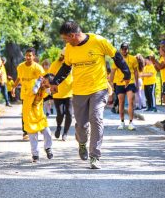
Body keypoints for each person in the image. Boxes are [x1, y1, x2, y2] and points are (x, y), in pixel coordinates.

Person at [50, 21, 130, 169]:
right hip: (79, 91)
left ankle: (95, 156)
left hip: (99, 88)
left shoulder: (98, 41)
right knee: (81, 125)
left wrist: (126, 72)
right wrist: (55, 82)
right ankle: (82, 143)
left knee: (96, 118)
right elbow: (66, 67)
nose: (65, 42)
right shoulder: (69, 48)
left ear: (72, 35)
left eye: (65, 38)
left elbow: (116, 56)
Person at [11, 48, 45, 140]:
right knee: (25, 113)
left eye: (30, 55)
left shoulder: (38, 67)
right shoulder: (20, 67)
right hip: (25, 94)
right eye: (26, 55)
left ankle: (37, 128)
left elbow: (43, 80)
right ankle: (25, 132)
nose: (28, 57)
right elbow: (19, 78)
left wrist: (42, 92)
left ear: (33, 56)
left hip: (36, 95)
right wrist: (13, 87)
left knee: (36, 112)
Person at [24, 74, 54, 162]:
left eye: (47, 84)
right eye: (44, 82)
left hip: (39, 114)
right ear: (42, 79)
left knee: (47, 132)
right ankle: (35, 155)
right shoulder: (33, 82)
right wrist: (38, 82)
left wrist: (48, 86)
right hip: (29, 114)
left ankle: (48, 148)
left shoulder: (44, 88)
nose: (45, 85)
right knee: (33, 137)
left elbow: (49, 93)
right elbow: (34, 91)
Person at [110, 42, 138, 131]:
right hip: (120, 83)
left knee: (130, 101)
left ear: (128, 49)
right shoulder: (117, 59)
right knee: (121, 102)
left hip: (130, 82)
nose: (124, 50)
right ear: (120, 49)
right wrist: (111, 84)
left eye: (126, 48)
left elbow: (136, 71)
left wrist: (137, 83)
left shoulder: (133, 59)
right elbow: (113, 72)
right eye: (123, 48)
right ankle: (122, 122)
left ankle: (131, 122)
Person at [49, 48, 73, 141]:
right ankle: (59, 126)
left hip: (70, 92)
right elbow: (50, 76)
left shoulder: (72, 64)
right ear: (63, 55)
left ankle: (65, 133)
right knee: (60, 113)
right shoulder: (55, 64)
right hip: (58, 93)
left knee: (70, 114)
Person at [151, 41, 165, 123]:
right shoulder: (161, 58)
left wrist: (154, 61)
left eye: (163, 46)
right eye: (160, 47)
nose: (162, 48)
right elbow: (157, 69)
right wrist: (154, 62)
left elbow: (160, 66)